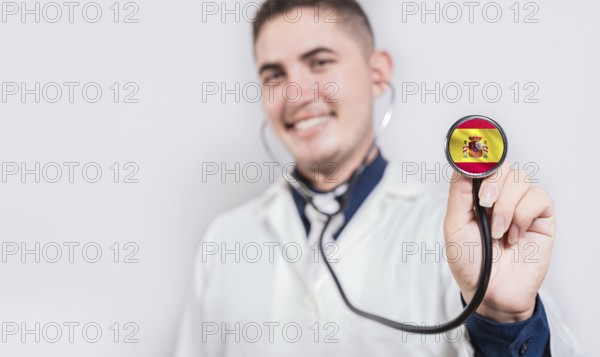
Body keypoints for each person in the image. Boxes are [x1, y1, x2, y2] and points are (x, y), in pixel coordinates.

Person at [175, 0, 581, 355]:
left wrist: (502, 319)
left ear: (377, 73)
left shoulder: (472, 236)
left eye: (319, 62)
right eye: (274, 75)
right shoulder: (225, 240)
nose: (296, 94)